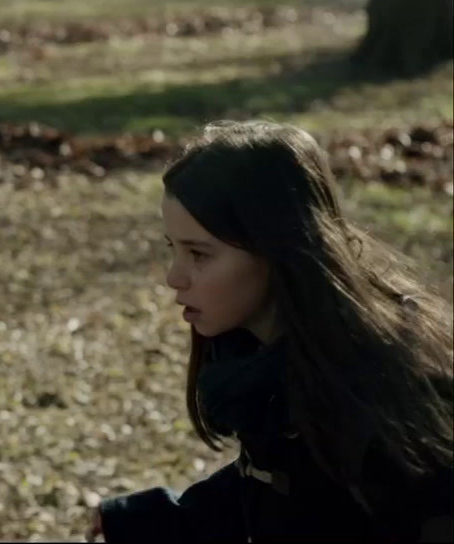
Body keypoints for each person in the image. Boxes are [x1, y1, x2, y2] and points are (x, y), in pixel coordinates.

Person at [88, 120, 454, 542]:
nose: (175, 277)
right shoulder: (269, 362)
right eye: (174, 248)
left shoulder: (378, 400)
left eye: (199, 254)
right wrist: (150, 522)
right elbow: (272, 490)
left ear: (276, 248)